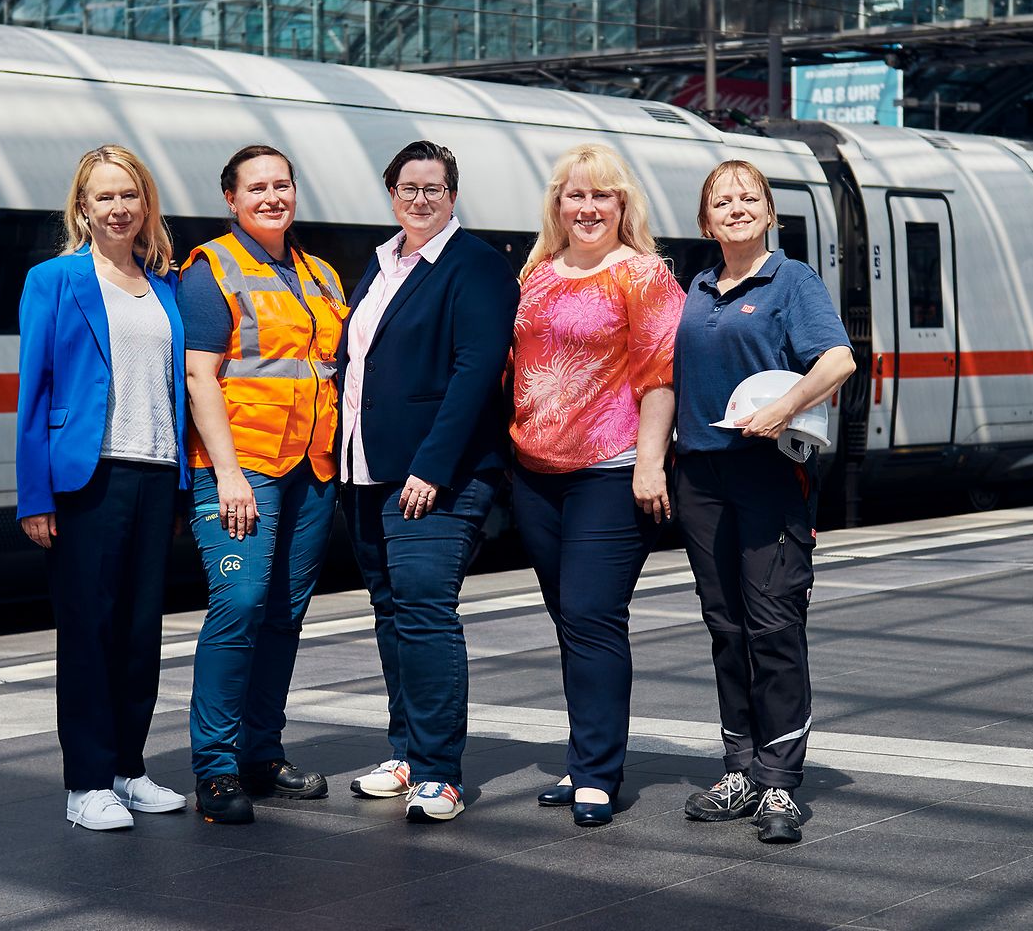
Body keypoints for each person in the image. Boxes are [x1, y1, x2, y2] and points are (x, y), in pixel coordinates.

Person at [673, 159, 855, 844]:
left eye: (749, 197)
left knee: (773, 627)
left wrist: (785, 406)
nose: (736, 207)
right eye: (722, 200)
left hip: (770, 475)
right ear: (704, 220)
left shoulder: (793, 281)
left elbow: (836, 361)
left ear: (770, 211)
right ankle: (740, 770)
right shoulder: (694, 290)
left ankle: (780, 783)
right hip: (702, 479)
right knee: (726, 627)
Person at [340, 141, 519, 823]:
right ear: (391, 194)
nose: (421, 198)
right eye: (409, 187)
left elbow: (476, 371)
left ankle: (440, 771)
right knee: (392, 613)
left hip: (432, 479)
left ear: (453, 195)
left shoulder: (475, 267)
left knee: (423, 611)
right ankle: (407, 751)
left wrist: (432, 468)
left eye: (435, 188)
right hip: (367, 471)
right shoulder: (382, 262)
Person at [506, 144, 683, 828]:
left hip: (610, 471)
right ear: (557, 205)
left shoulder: (643, 275)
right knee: (570, 622)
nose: (587, 208)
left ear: (622, 205)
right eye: (574, 196)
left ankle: (599, 775)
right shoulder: (539, 274)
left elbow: (659, 375)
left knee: (591, 616)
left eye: (601, 196)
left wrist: (649, 462)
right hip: (536, 472)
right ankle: (585, 759)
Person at [15, 145, 190, 832]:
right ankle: (86, 784)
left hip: (154, 473)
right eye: (104, 197)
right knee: (88, 631)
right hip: (87, 478)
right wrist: (35, 496)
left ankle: (127, 768)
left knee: (140, 632)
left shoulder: (167, 287)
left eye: (130, 195)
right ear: (82, 208)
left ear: (146, 205)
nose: (119, 208)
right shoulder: (53, 281)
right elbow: (35, 392)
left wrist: (181, 484)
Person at [179, 144, 349, 825]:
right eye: (257, 187)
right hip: (242, 468)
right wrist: (226, 475)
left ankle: (261, 753)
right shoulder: (212, 269)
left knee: (283, 613)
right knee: (240, 605)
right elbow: (199, 377)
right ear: (231, 198)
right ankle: (215, 768)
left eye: (282, 184)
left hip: (311, 468)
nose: (272, 196)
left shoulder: (321, 275)